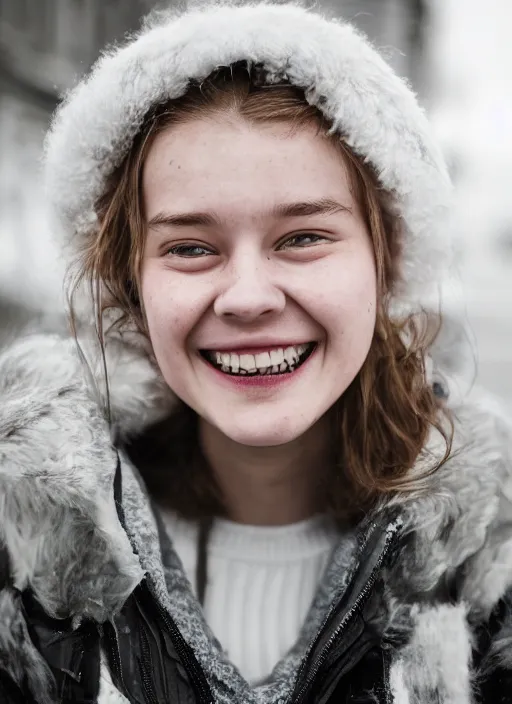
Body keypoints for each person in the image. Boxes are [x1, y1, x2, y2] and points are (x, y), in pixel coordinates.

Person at [0, 2, 511, 702]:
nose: (246, 297)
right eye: (190, 248)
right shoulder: (21, 561)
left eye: (303, 237)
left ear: (386, 259)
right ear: (131, 282)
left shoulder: (491, 568)